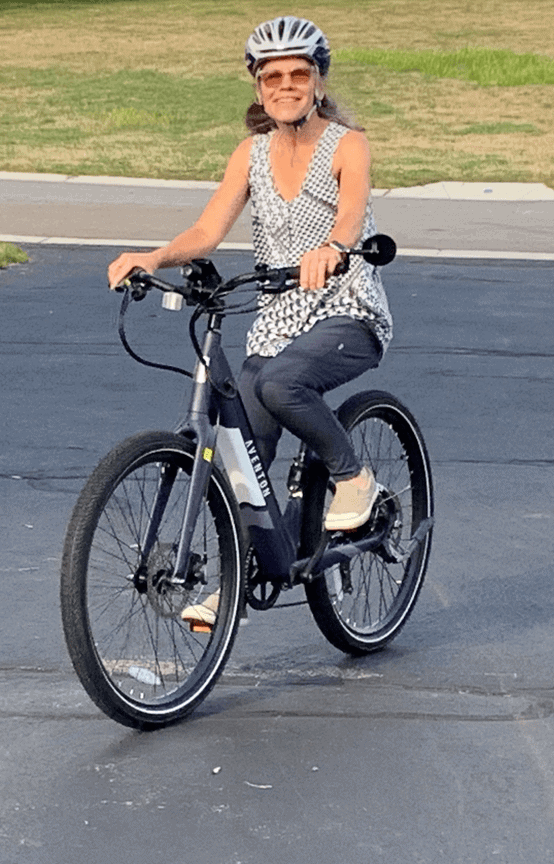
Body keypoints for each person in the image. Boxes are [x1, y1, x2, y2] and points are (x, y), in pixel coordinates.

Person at [108, 16, 393, 626]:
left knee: (278, 385)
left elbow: (350, 214)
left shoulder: (347, 144)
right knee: (243, 450)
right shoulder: (252, 154)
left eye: (298, 74)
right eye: (273, 77)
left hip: (348, 308)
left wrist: (332, 249)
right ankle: (241, 577)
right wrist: (152, 257)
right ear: (258, 88)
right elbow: (209, 231)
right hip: (277, 320)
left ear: (318, 81)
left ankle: (354, 480)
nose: (286, 85)